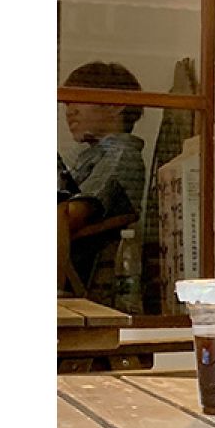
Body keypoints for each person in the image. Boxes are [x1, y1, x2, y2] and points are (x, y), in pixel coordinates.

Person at [59, 61, 148, 287]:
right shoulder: (88, 155)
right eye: (67, 102)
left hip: (84, 282)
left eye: (78, 98)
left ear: (115, 104)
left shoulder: (120, 154)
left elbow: (70, 216)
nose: (70, 111)